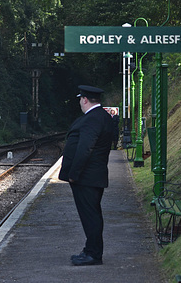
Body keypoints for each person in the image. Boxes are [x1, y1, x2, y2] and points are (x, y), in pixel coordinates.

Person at [59, 85, 113, 266]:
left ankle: (93, 254)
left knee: (90, 215)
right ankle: (90, 250)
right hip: (92, 176)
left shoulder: (92, 119)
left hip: (86, 177)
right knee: (92, 214)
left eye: (80, 99)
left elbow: (85, 148)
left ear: (84, 100)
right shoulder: (103, 117)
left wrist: (74, 174)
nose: (80, 103)